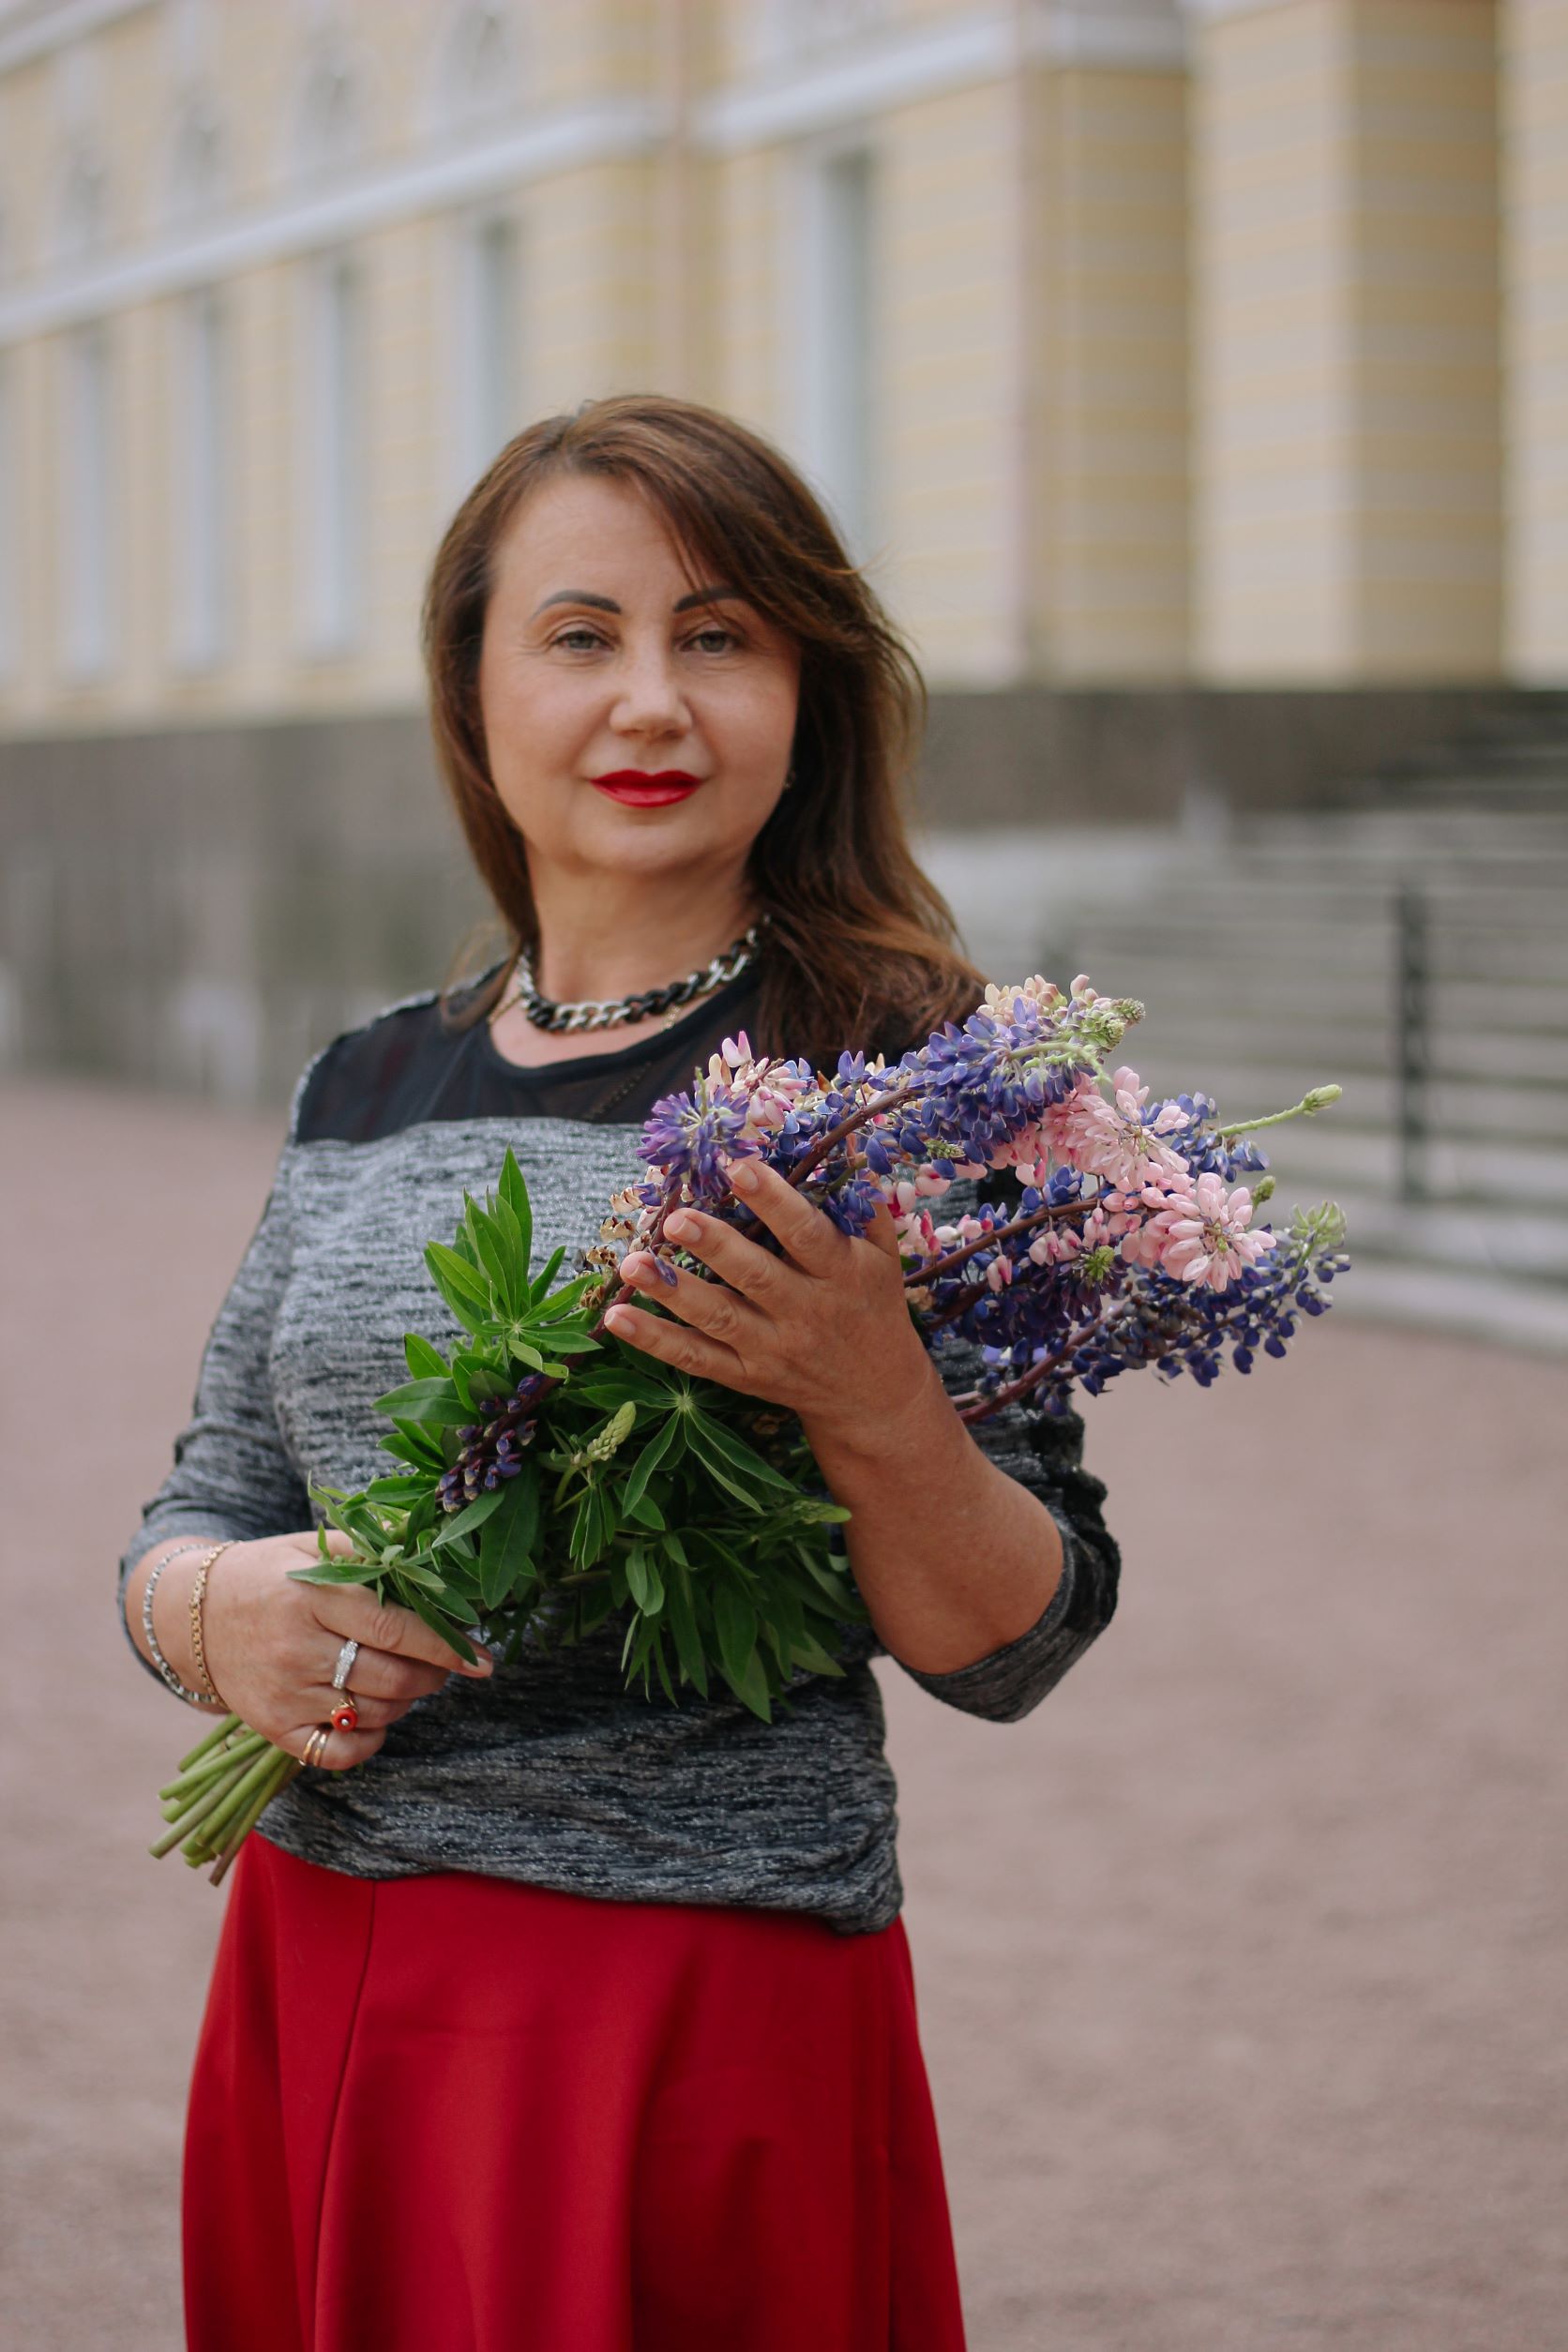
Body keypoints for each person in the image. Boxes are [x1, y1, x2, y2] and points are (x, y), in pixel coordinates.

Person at [119, 394, 1121, 2352]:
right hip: (326, 1965)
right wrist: (208, 1611)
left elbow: (1015, 1644)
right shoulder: (365, 1079)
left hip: (694, 2010)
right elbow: (208, 1496)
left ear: (805, 692)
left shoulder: (909, 1082)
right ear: (473, 689)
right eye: (580, 636)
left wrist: (876, 1400)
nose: (650, 701)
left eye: (718, 635)